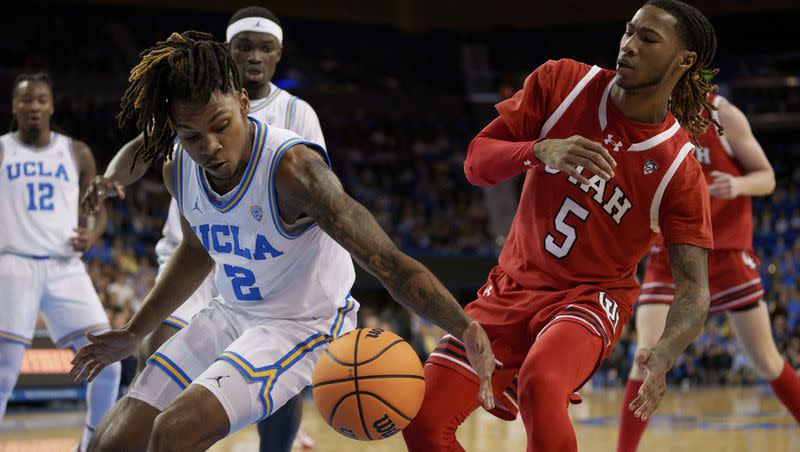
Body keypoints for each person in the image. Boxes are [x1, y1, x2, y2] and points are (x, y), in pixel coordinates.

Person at [70, 31, 495, 451]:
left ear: (241, 102)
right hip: (230, 313)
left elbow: (386, 262)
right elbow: (197, 251)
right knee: (112, 440)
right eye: (192, 136)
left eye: (220, 126)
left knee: (173, 431)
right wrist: (133, 332)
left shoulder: (295, 171)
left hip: (302, 325)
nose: (210, 147)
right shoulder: (178, 167)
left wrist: (464, 328)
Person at [403, 1, 718, 450]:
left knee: (541, 383)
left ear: (684, 61)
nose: (628, 46)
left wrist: (665, 352)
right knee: (423, 419)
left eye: (648, 39)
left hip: (591, 298)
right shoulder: (564, 82)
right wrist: (538, 150)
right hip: (509, 288)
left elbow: (694, 289)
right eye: (628, 32)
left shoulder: (678, 168)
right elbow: (476, 162)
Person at [80, 7, 325, 450]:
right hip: (195, 253)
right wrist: (113, 179)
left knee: (278, 378)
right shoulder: (193, 102)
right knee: (155, 354)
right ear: (227, 52)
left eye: (264, 47)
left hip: (262, 265)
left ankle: (274, 442)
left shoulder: (296, 112)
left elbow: (316, 200)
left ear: (278, 54)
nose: (253, 55)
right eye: (243, 47)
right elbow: (144, 145)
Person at [616, 93, 800, 451]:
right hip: (670, 253)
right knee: (645, 357)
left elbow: (767, 178)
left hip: (725, 250)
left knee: (766, 360)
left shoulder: (724, 115)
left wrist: (739, 185)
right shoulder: (647, 114)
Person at [0, 72, 119, 451]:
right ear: (15, 106)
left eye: (40, 100)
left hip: (65, 267)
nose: (33, 106)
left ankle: (91, 446)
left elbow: (96, 210)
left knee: (108, 363)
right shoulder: (3, 149)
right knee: (3, 373)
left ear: (51, 105)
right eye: (26, 100)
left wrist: (94, 233)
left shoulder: (76, 151)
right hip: (14, 264)